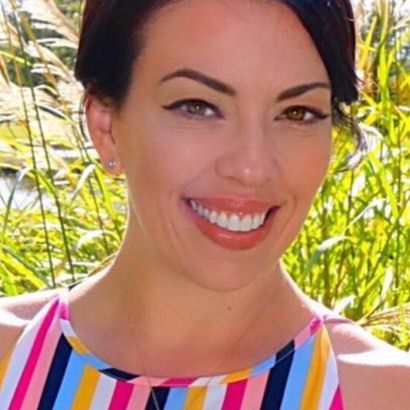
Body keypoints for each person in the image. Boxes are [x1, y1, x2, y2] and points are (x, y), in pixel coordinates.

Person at [0, 0, 409, 408]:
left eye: (297, 113)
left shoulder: (385, 394)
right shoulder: (8, 353)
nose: (252, 168)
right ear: (106, 128)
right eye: (198, 107)